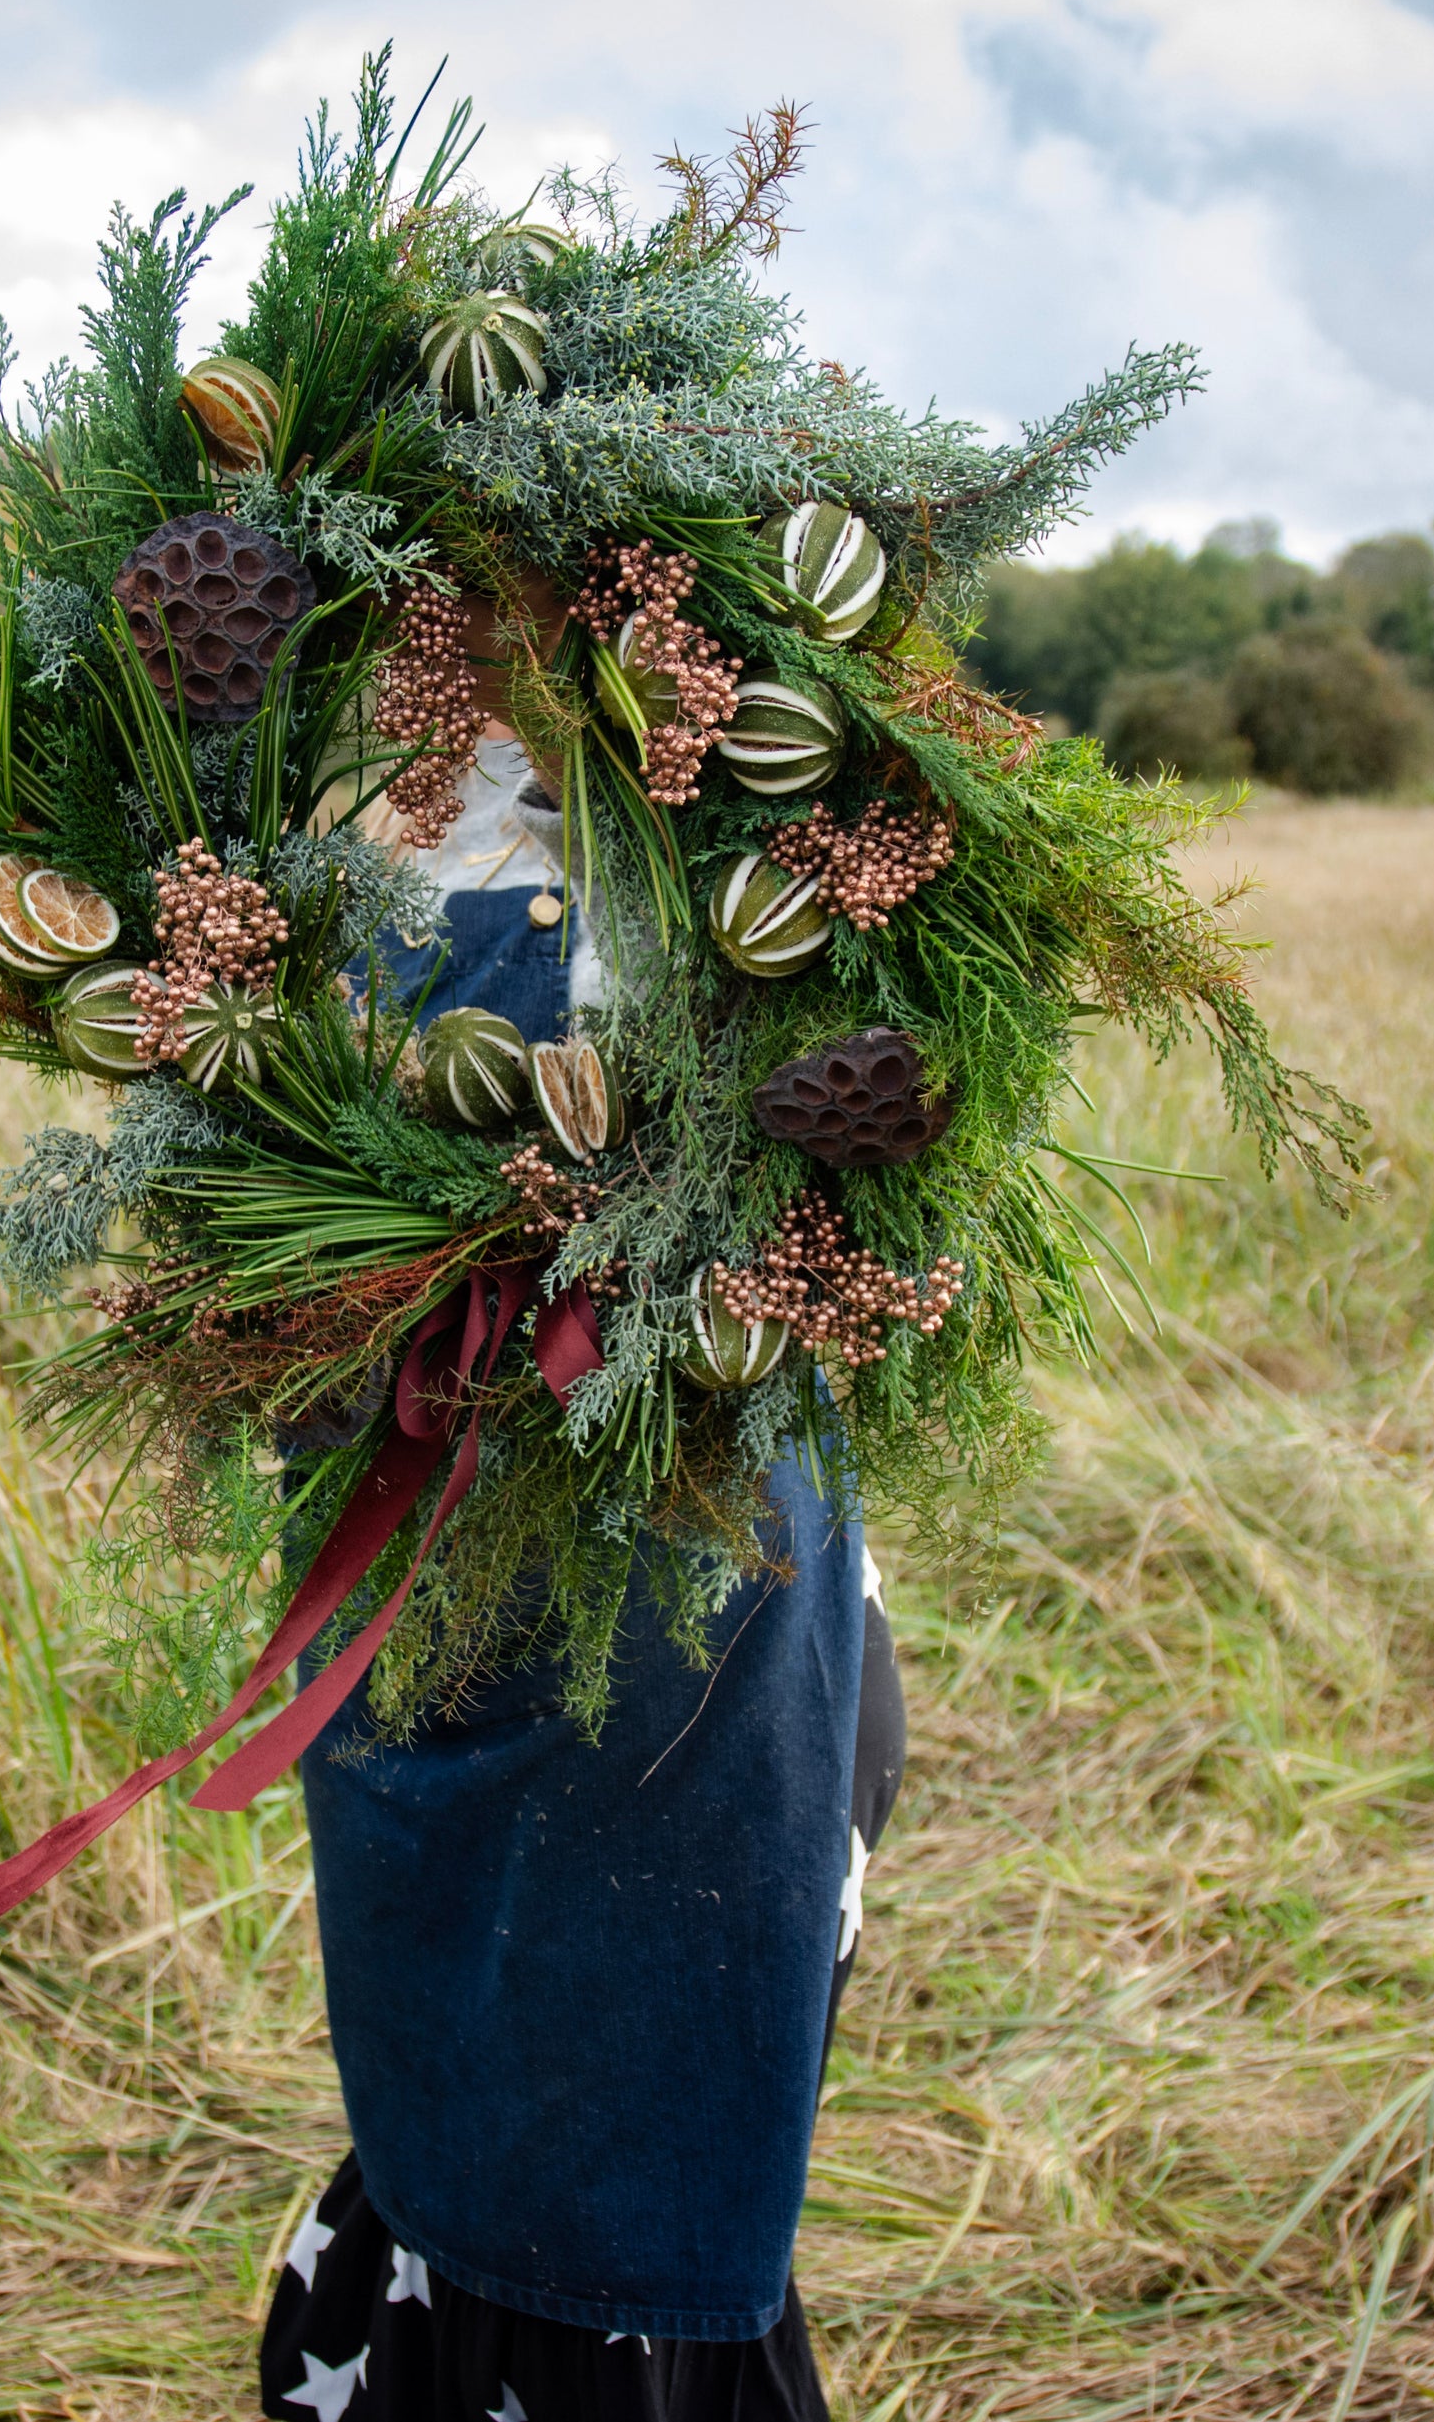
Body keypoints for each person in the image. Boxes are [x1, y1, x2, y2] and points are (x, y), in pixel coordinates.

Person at [257, 732, 910, 2421]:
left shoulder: (788, 771)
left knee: (670, 2118)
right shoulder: (313, 789)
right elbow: (250, 1227)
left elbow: (878, 1170)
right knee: (460, 2091)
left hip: (720, 1624)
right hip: (436, 1603)